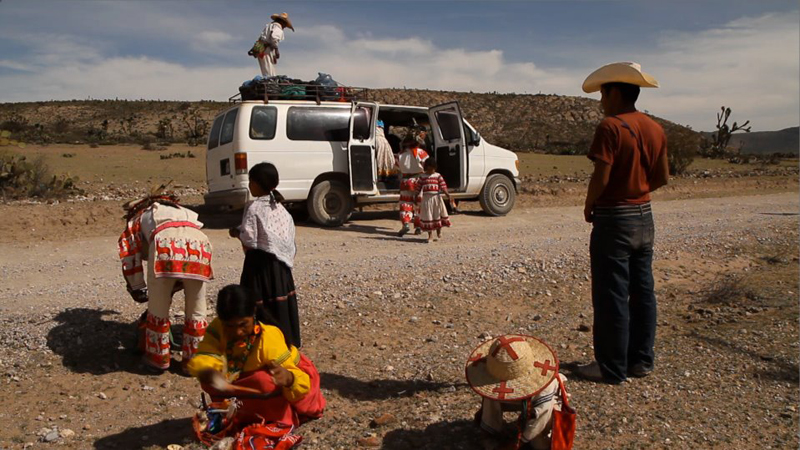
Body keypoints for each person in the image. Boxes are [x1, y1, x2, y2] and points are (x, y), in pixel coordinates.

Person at [577, 62, 669, 384]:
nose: (602, 100)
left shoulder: (610, 127)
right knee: (643, 290)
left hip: (615, 218)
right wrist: (638, 191)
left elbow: (600, 176)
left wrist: (591, 204)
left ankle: (610, 367)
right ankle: (641, 361)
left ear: (615, 92)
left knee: (611, 292)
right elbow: (663, 177)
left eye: (603, 93)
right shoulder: (656, 129)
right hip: (645, 217)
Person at [187, 284, 325, 428]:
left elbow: (299, 382)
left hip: (287, 379)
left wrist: (289, 378)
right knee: (210, 380)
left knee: (264, 381)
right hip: (242, 379)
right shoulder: (218, 328)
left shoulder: (268, 338)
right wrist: (208, 371)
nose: (237, 332)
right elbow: (207, 354)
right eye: (230, 326)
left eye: (243, 324)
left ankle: (275, 419)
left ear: (253, 312)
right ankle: (237, 415)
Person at [118, 187, 213, 372]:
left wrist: (137, 285)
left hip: (165, 245)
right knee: (197, 307)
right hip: (201, 244)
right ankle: (193, 362)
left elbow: (130, 253)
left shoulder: (140, 217)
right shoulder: (183, 212)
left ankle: (158, 358)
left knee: (158, 306)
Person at [229, 162, 301, 348]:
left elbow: (250, 239)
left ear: (258, 183)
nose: (249, 185)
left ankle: (258, 345)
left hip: (259, 267)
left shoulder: (253, 208)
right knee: (279, 307)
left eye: (251, 181)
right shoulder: (281, 209)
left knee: (259, 306)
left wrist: (236, 233)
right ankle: (285, 343)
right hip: (280, 269)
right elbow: (285, 238)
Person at [465, 334, 570, 450]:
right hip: (521, 400)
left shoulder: (547, 384)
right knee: (491, 395)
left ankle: (535, 435)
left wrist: (519, 442)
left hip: (545, 404)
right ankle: (491, 431)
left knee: (539, 445)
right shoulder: (497, 371)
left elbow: (541, 416)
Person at [396, 134, 429, 237]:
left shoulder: (399, 155)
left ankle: (406, 223)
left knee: (406, 203)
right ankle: (419, 226)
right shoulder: (422, 153)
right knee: (420, 204)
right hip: (419, 180)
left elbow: (398, 168)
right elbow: (427, 166)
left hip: (406, 181)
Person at [415, 158, 452, 242]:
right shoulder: (422, 177)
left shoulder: (438, 176)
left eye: (433, 168)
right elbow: (418, 188)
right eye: (430, 168)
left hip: (436, 199)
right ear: (426, 167)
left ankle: (439, 232)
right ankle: (430, 236)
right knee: (429, 217)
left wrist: (448, 195)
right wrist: (415, 197)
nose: (432, 170)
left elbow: (443, 186)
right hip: (426, 200)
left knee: (437, 215)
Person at [255, 13, 294, 77]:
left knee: (265, 67)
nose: (284, 27)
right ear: (282, 22)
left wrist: (273, 55)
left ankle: (269, 80)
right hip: (265, 49)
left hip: (260, 47)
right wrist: (276, 51)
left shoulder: (269, 26)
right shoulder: (278, 28)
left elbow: (266, 38)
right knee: (269, 70)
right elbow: (274, 39)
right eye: (285, 25)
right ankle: (270, 83)